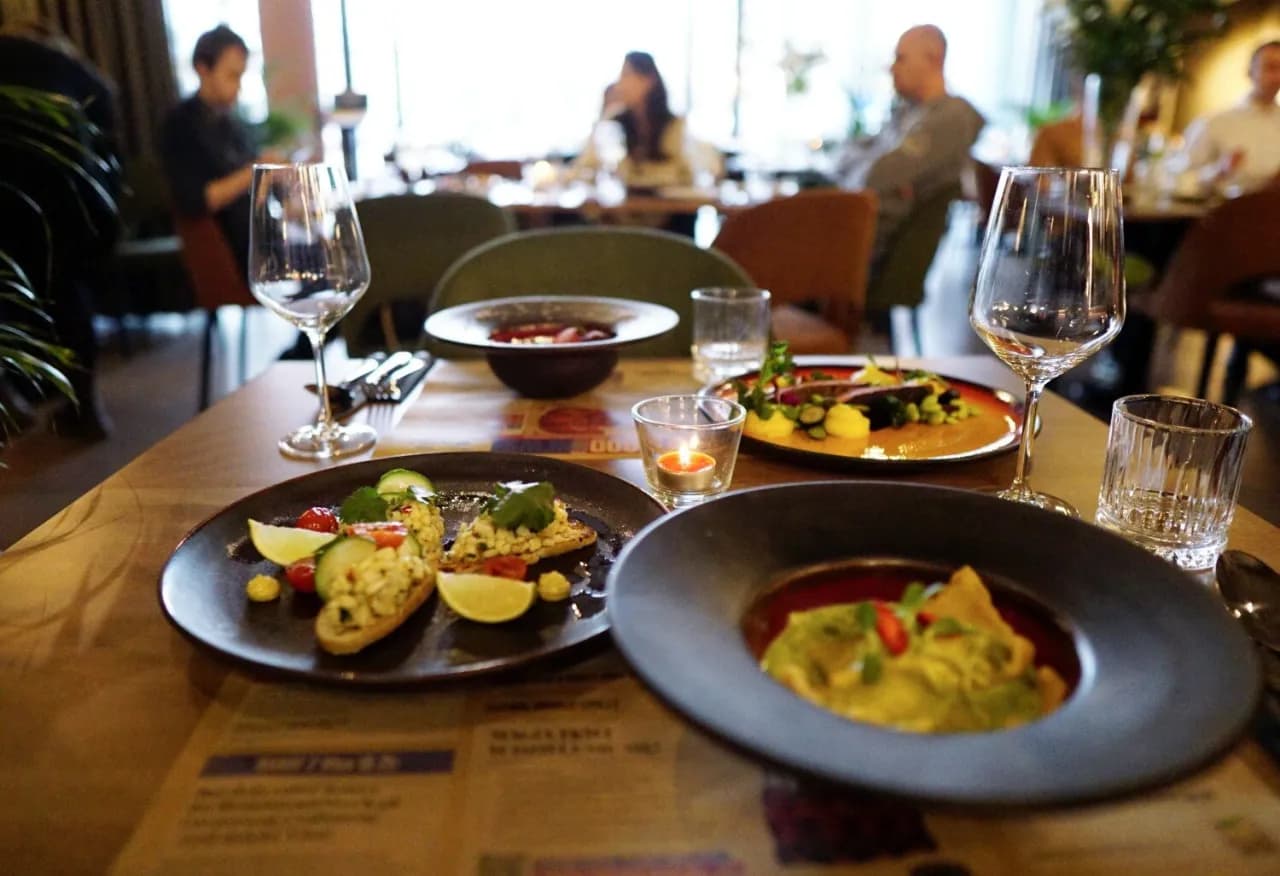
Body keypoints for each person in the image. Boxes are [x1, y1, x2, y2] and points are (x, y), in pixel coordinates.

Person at [0, 19, 122, 439]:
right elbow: (106, 103)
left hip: (11, 192)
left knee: (10, 292)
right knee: (71, 294)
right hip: (71, 192)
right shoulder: (65, 63)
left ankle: (14, 396)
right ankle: (85, 406)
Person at [835, 25, 984, 256]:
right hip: (853, 235)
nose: (891, 68)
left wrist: (866, 171)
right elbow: (845, 155)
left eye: (900, 58)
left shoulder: (951, 118)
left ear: (933, 59)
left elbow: (876, 175)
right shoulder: (907, 112)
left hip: (872, 253)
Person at [159, 25, 266, 278]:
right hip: (230, 252)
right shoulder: (180, 125)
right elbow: (195, 201)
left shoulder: (231, 124)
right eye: (232, 76)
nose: (238, 88)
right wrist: (256, 172)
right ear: (202, 68)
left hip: (257, 238)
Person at [575, 51, 694, 191]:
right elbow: (586, 166)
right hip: (619, 208)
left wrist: (633, 175)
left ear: (649, 80)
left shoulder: (673, 124)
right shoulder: (614, 120)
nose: (620, 84)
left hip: (663, 209)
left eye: (626, 75)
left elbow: (682, 175)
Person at [1176, 40, 1280, 195]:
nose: (1277, 76)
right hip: (1226, 213)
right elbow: (1179, 178)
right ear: (1250, 71)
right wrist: (1219, 170)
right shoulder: (1215, 122)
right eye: (1270, 67)